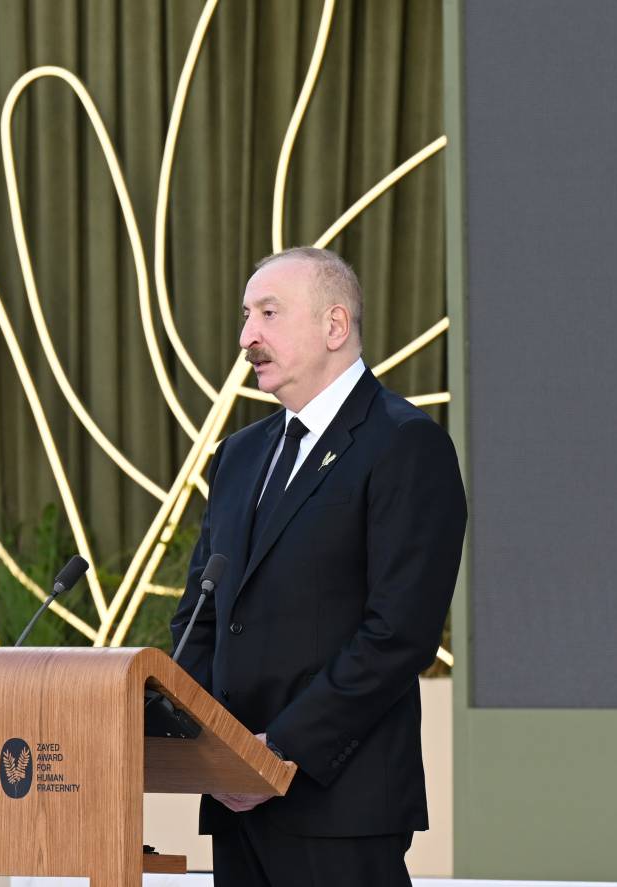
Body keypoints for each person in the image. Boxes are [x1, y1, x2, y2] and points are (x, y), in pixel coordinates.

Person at [170, 248, 467, 886]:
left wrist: (277, 753)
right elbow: (201, 615)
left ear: (335, 326)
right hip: (234, 805)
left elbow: (399, 634)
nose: (246, 337)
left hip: (339, 805)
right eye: (245, 316)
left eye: (269, 313)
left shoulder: (405, 443)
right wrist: (211, 750)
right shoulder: (239, 455)